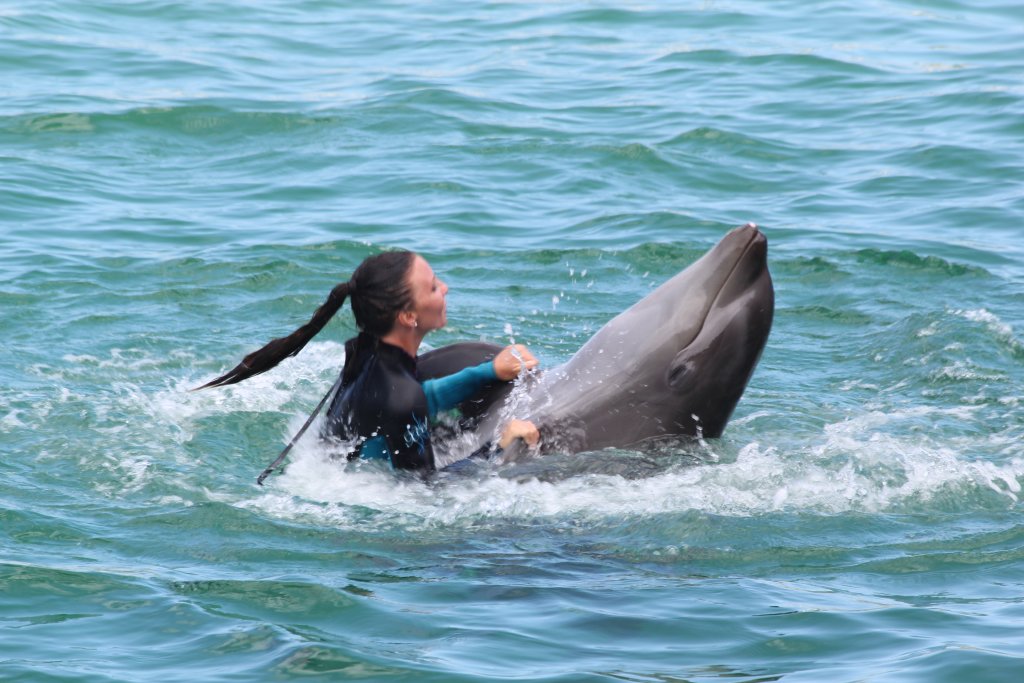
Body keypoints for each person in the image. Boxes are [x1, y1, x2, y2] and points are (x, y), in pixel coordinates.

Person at [195, 250, 540, 471]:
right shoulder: (399, 394)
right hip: (358, 481)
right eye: (433, 287)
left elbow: (424, 398)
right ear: (408, 317)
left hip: (337, 453)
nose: (446, 288)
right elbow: (423, 490)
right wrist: (499, 448)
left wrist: (486, 372)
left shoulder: (369, 350)